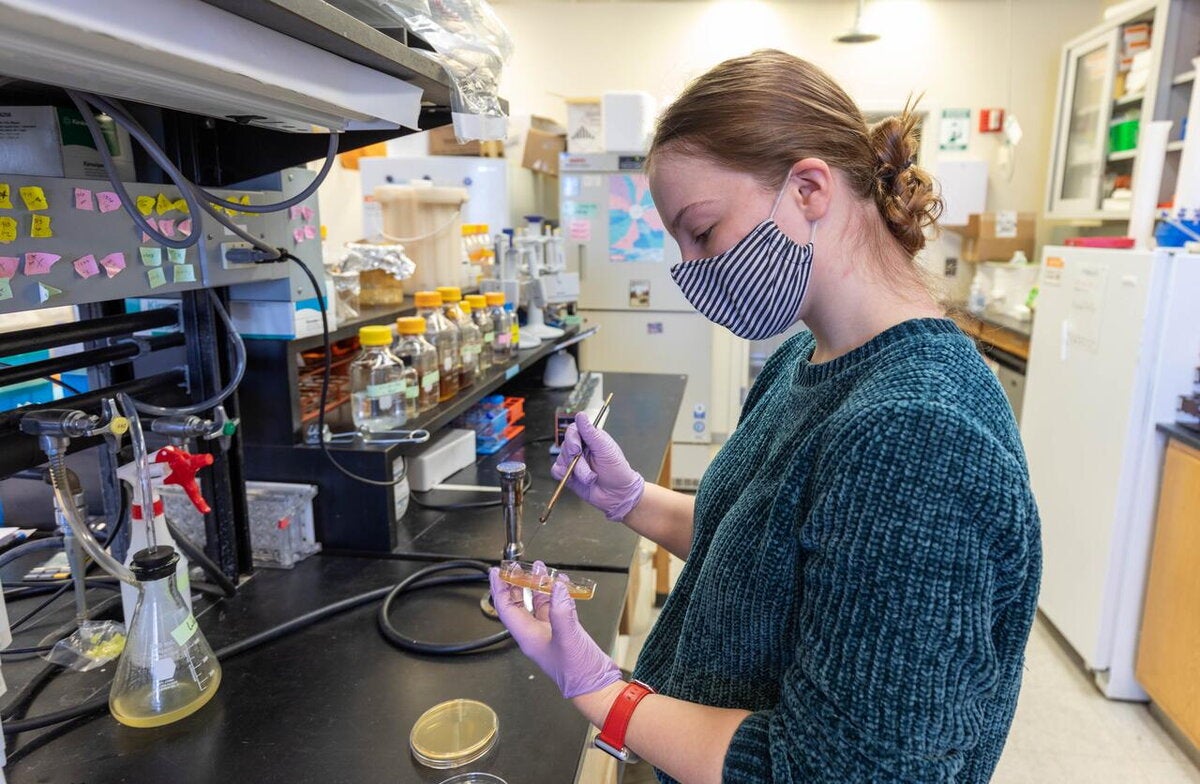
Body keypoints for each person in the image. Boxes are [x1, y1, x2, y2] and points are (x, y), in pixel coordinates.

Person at [489, 49, 1041, 784]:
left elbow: (843, 772)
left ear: (809, 188)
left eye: (704, 232)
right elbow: (774, 557)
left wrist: (602, 690)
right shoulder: (804, 360)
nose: (692, 274)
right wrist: (633, 499)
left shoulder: (918, 436)